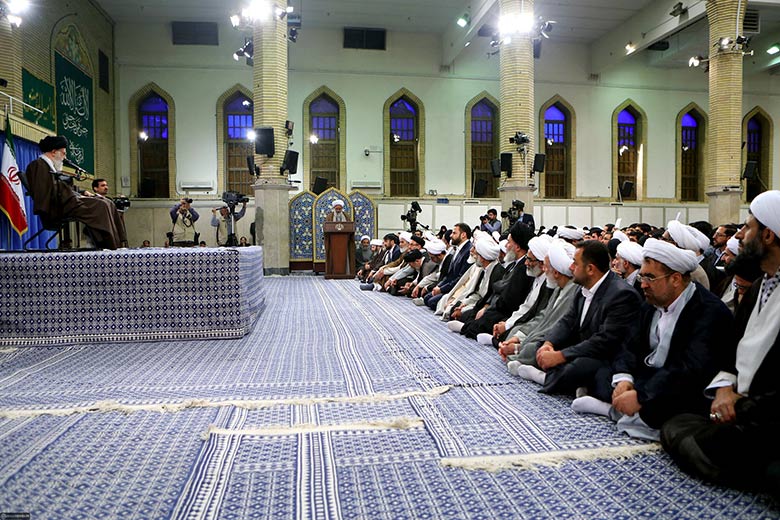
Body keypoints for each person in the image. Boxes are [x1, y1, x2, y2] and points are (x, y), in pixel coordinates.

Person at [661, 190, 780, 496]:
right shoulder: (758, 286)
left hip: (766, 414)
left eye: (748, 228)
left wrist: (742, 406)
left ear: (768, 236)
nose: (740, 235)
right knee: (676, 423)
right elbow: (733, 347)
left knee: (689, 436)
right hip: (738, 407)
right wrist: (725, 387)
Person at [570, 238, 735, 441]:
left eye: (650, 278)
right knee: (603, 372)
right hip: (650, 376)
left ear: (675, 279)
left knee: (670, 404)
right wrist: (624, 379)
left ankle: (615, 411)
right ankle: (626, 408)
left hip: (680, 383)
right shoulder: (652, 302)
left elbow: (690, 368)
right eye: (642, 277)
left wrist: (641, 396)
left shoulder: (708, 311)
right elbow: (630, 344)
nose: (643, 285)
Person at [515, 240, 641, 397]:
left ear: (590, 269)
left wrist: (561, 356)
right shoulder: (582, 288)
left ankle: (547, 378)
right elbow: (567, 321)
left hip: (604, 356)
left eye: (575, 263)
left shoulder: (621, 294)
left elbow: (605, 341)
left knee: (580, 365)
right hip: (582, 348)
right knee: (542, 348)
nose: (571, 267)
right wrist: (549, 344)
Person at [25, 135, 127, 249]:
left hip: (67, 201)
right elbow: (45, 191)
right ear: (54, 152)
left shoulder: (51, 167)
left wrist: (82, 192)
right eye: (63, 153)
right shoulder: (38, 165)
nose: (65, 157)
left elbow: (62, 187)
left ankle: (118, 242)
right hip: (58, 206)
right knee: (101, 205)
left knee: (108, 202)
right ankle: (107, 245)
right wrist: (71, 193)